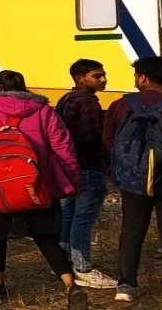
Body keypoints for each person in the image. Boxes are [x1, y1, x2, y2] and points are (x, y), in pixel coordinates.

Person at [0, 70, 86, 308]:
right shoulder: (45, 111)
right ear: (24, 87)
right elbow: (64, 148)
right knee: (45, 237)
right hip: (39, 184)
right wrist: (73, 182)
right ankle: (70, 285)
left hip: (1, 185)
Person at [103, 56, 162, 307]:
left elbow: (109, 142)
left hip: (133, 181)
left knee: (132, 230)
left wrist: (130, 167)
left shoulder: (121, 105)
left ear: (143, 78)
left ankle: (125, 286)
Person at [56, 59, 117, 289]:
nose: (103, 80)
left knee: (68, 213)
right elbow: (93, 139)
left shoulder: (66, 99)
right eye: (97, 76)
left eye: (103, 75)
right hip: (89, 167)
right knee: (84, 217)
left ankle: (63, 262)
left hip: (67, 166)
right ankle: (82, 268)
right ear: (81, 78)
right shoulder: (88, 103)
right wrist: (106, 160)